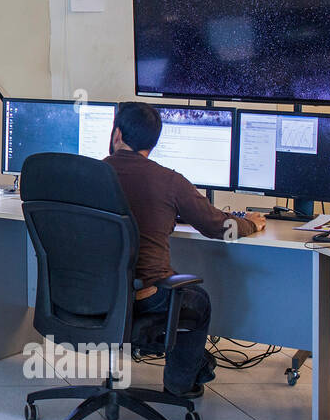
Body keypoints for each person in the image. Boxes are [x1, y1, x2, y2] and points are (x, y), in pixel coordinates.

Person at [103, 101, 266, 398]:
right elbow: (219, 226)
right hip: (144, 298)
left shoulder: (89, 174)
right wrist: (251, 223)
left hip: (93, 294)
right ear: (153, 143)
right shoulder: (170, 181)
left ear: (116, 134)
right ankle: (181, 383)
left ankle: (198, 365)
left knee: (183, 296)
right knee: (197, 300)